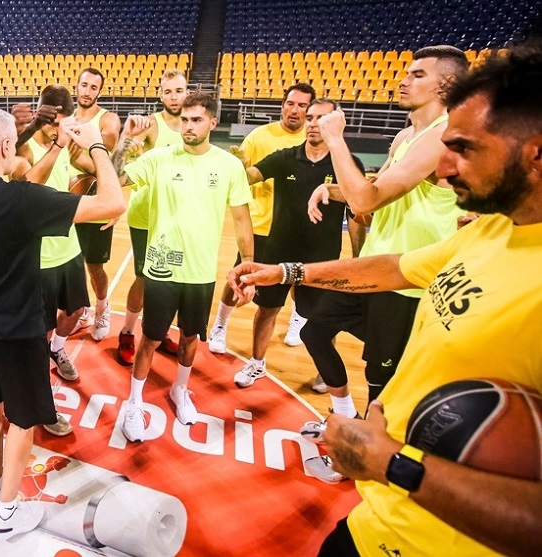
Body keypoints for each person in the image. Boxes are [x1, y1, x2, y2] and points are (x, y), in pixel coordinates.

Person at [229, 46, 542, 557]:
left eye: (464, 148)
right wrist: (286, 270)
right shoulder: (488, 232)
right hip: (374, 521)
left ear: (534, 153)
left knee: (379, 368)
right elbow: (395, 266)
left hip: (427, 536)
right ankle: (351, 411)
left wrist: (392, 463)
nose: (443, 167)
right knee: (318, 331)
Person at [0, 107, 124, 541]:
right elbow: (113, 202)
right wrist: (96, 145)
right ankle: (5, 514)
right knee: (23, 419)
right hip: (17, 332)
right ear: (5, 146)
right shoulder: (23, 198)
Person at [301, 46, 468, 411]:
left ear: (446, 84)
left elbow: (365, 200)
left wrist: (335, 140)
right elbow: (374, 194)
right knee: (314, 331)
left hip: (406, 280)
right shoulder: (404, 136)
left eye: (418, 75)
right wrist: (330, 190)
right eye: (406, 73)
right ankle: (345, 416)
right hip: (375, 266)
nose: (404, 81)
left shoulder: (443, 136)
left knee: (380, 379)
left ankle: (372, 441)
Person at [112, 93, 253, 442]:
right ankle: (134, 402)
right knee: (151, 338)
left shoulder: (228, 165)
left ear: (212, 122)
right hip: (162, 267)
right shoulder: (159, 158)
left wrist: (248, 269)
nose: (188, 126)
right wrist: (125, 140)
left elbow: (242, 220)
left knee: (190, 337)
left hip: (201, 271)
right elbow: (115, 179)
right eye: (185, 120)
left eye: (197, 120)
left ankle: (180, 389)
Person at [229, 99, 366, 389]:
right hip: (279, 252)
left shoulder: (347, 163)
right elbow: (250, 178)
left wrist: (358, 257)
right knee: (266, 310)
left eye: (321, 118)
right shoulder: (286, 157)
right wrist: (237, 166)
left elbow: (356, 213)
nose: (313, 123)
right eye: (311, 117)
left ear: (336, 123)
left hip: (321, 258)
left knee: (322, 321)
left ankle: (324, 372)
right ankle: (256, 364)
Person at [209, 83, 315, 351]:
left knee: (297, 278)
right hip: (260, 225)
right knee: (240, 276)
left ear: (310, 110)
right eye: (290, 103)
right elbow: (243, 175)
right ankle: (219, 325)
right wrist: (239, 166)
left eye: (302, 105)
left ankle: (297, 320)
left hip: (298, 229)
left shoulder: (313, 140)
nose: (295, 110)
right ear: (283, 105)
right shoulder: (259, 137)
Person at [14, 84, 89, 436]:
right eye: (51, 118)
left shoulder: (68, 144)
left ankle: (57, 350)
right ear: (40, 112)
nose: (56, 125)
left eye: (62, 119)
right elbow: (29, 182)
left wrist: (117, 150)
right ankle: (42, 404)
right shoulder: (24, 146)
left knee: (76, 311)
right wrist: (58, 145)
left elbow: (96, 172)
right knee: (37, 335)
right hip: (38, 259)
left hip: (68, 249)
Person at [117, 69, 188, 364]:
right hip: (146, 215)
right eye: (168, 91)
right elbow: (124, 163)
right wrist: (128, 141)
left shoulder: (192, 125)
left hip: (177, 216)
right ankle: (127, 332)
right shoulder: (151, 126)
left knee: (169, 279)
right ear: (161, 95)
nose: (174, 97)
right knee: (144, 278)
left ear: (187, 91)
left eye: (179, 90)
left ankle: (158, 330)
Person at [69, 67, 122, 341]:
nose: (87, 91)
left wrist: (91, 140)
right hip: (68, 204)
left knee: (94, 267)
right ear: (76, 86)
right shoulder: (65, 119)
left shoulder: (107, 118)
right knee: (70, 265)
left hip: (96, 204)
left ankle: (102, 307)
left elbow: (109, 139)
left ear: (100, 91)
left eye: (93, 87)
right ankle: (81, 311)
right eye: (84, 85)